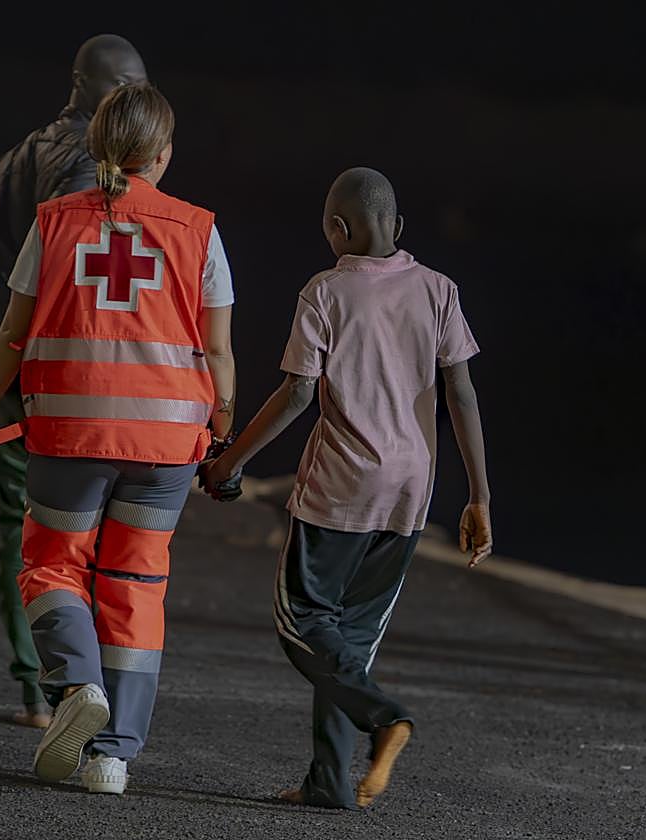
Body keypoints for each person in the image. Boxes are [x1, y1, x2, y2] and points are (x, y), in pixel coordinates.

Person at [0, 82, 237, 795]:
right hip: (167, 444)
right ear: (163, 154)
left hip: (69, 436)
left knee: (51, 565)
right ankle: (112, 758)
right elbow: (218, 351)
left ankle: (76, 686)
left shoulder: (54, 223)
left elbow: (13, 334)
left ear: (97, 147)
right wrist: (223, 435)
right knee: (136, 583)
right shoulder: (199, 229)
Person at [203, 167, 492, 809]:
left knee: (301, 621)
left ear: (339, 228)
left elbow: (298, 393)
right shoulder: (440, 290)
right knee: (349, 642)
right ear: (398, 227)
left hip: (341, 488)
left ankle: (384, 715)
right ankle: (330, 783)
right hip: (410, 494)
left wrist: (230, 464)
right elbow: (462, 395)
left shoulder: (326, 292)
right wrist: (479, 496)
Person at [0, 34, 148, 729]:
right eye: (126, 90)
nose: (133, 104)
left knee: (21, 532)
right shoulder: (94, 170)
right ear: (91, 88)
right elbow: (92, 291)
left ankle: (35, 687)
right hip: (73, 389)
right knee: (80, 542)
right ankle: (73, 689)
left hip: (14, 382)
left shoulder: (14, 160)